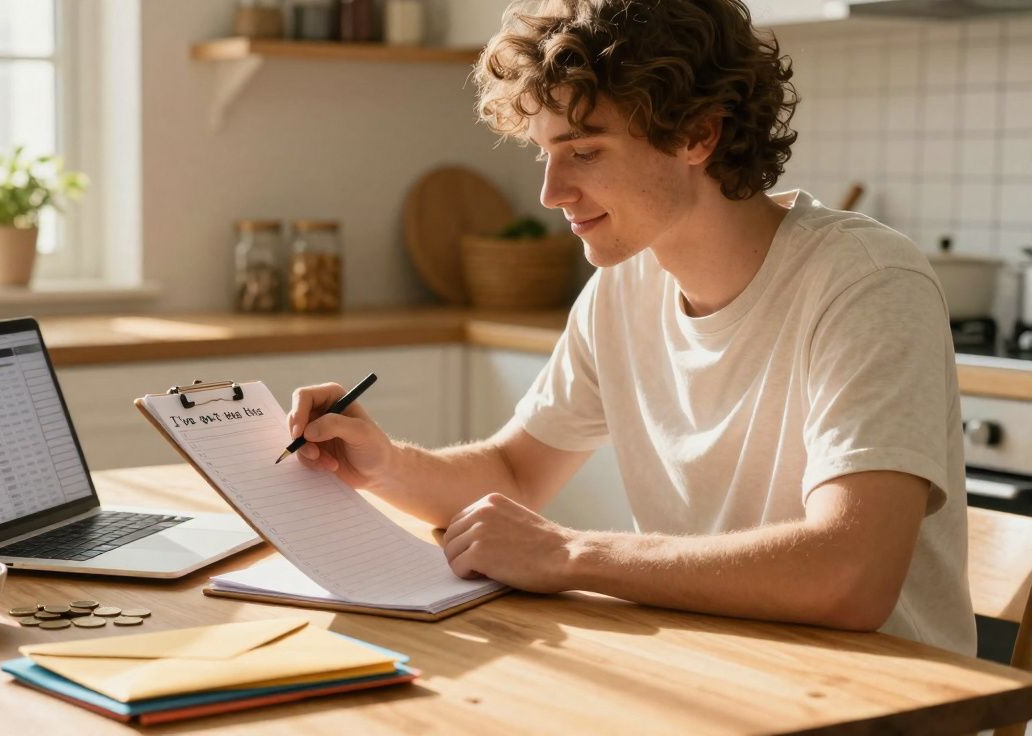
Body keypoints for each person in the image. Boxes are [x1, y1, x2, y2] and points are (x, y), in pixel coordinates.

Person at [287, 0, 974, 654]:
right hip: (717, 675)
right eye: (544, 153)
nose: (551, 193)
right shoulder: (623, 288)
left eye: (584, 151)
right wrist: (382, 463)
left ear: (699, 134)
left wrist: (570, 554)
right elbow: (514, 473)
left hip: (885, 706)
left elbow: (850, 577)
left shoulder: (865, 282)